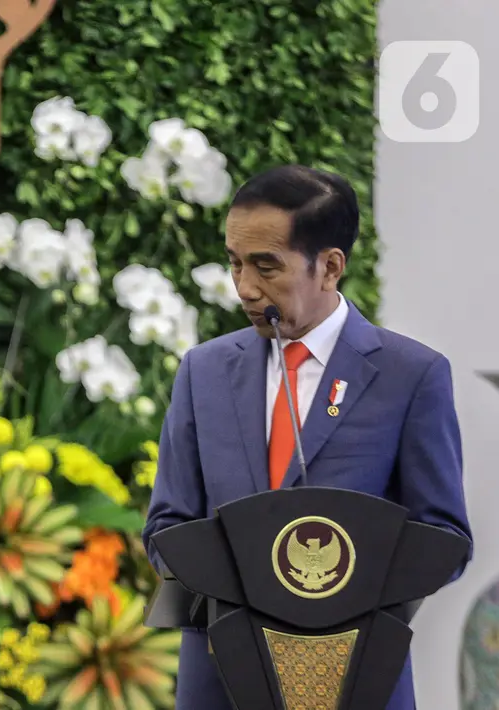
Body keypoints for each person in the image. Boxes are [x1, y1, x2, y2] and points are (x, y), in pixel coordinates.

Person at [141, 164, 472, 709]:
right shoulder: (203, 371)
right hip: (219, 683)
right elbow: (166, 525)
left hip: (356, 679)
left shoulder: (411, 376)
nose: (245, 288)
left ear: (330, 267)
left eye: (266, 266)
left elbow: (445, 539)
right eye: (235, 263)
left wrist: (330, 599)